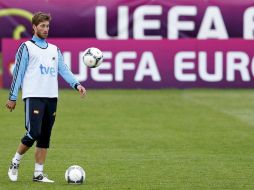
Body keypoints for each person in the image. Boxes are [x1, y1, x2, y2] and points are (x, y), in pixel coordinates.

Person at [5, 12, 86, 183]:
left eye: (47, 26)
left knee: (45, 136)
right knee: (33, 132)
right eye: (42, 26)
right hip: (34, 96)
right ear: (34, 27)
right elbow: (18, 73)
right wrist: (12, 97)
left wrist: (76, 84)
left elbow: (63, 69)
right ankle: (15, 162)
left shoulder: (54, 49)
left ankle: (38, 174)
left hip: (51, 97)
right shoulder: (26, 47)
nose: (45, 29)